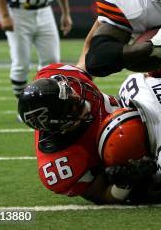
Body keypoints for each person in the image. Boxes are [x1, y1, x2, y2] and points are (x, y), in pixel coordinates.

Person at [17, 63, 123, 203]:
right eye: (71, 106)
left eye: (69, 92)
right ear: (60, 125)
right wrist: (123, 185)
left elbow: (88, 61)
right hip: (125, 152)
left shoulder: (55, 75)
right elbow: (102, 195)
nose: (77, 97)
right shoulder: (60, 165)